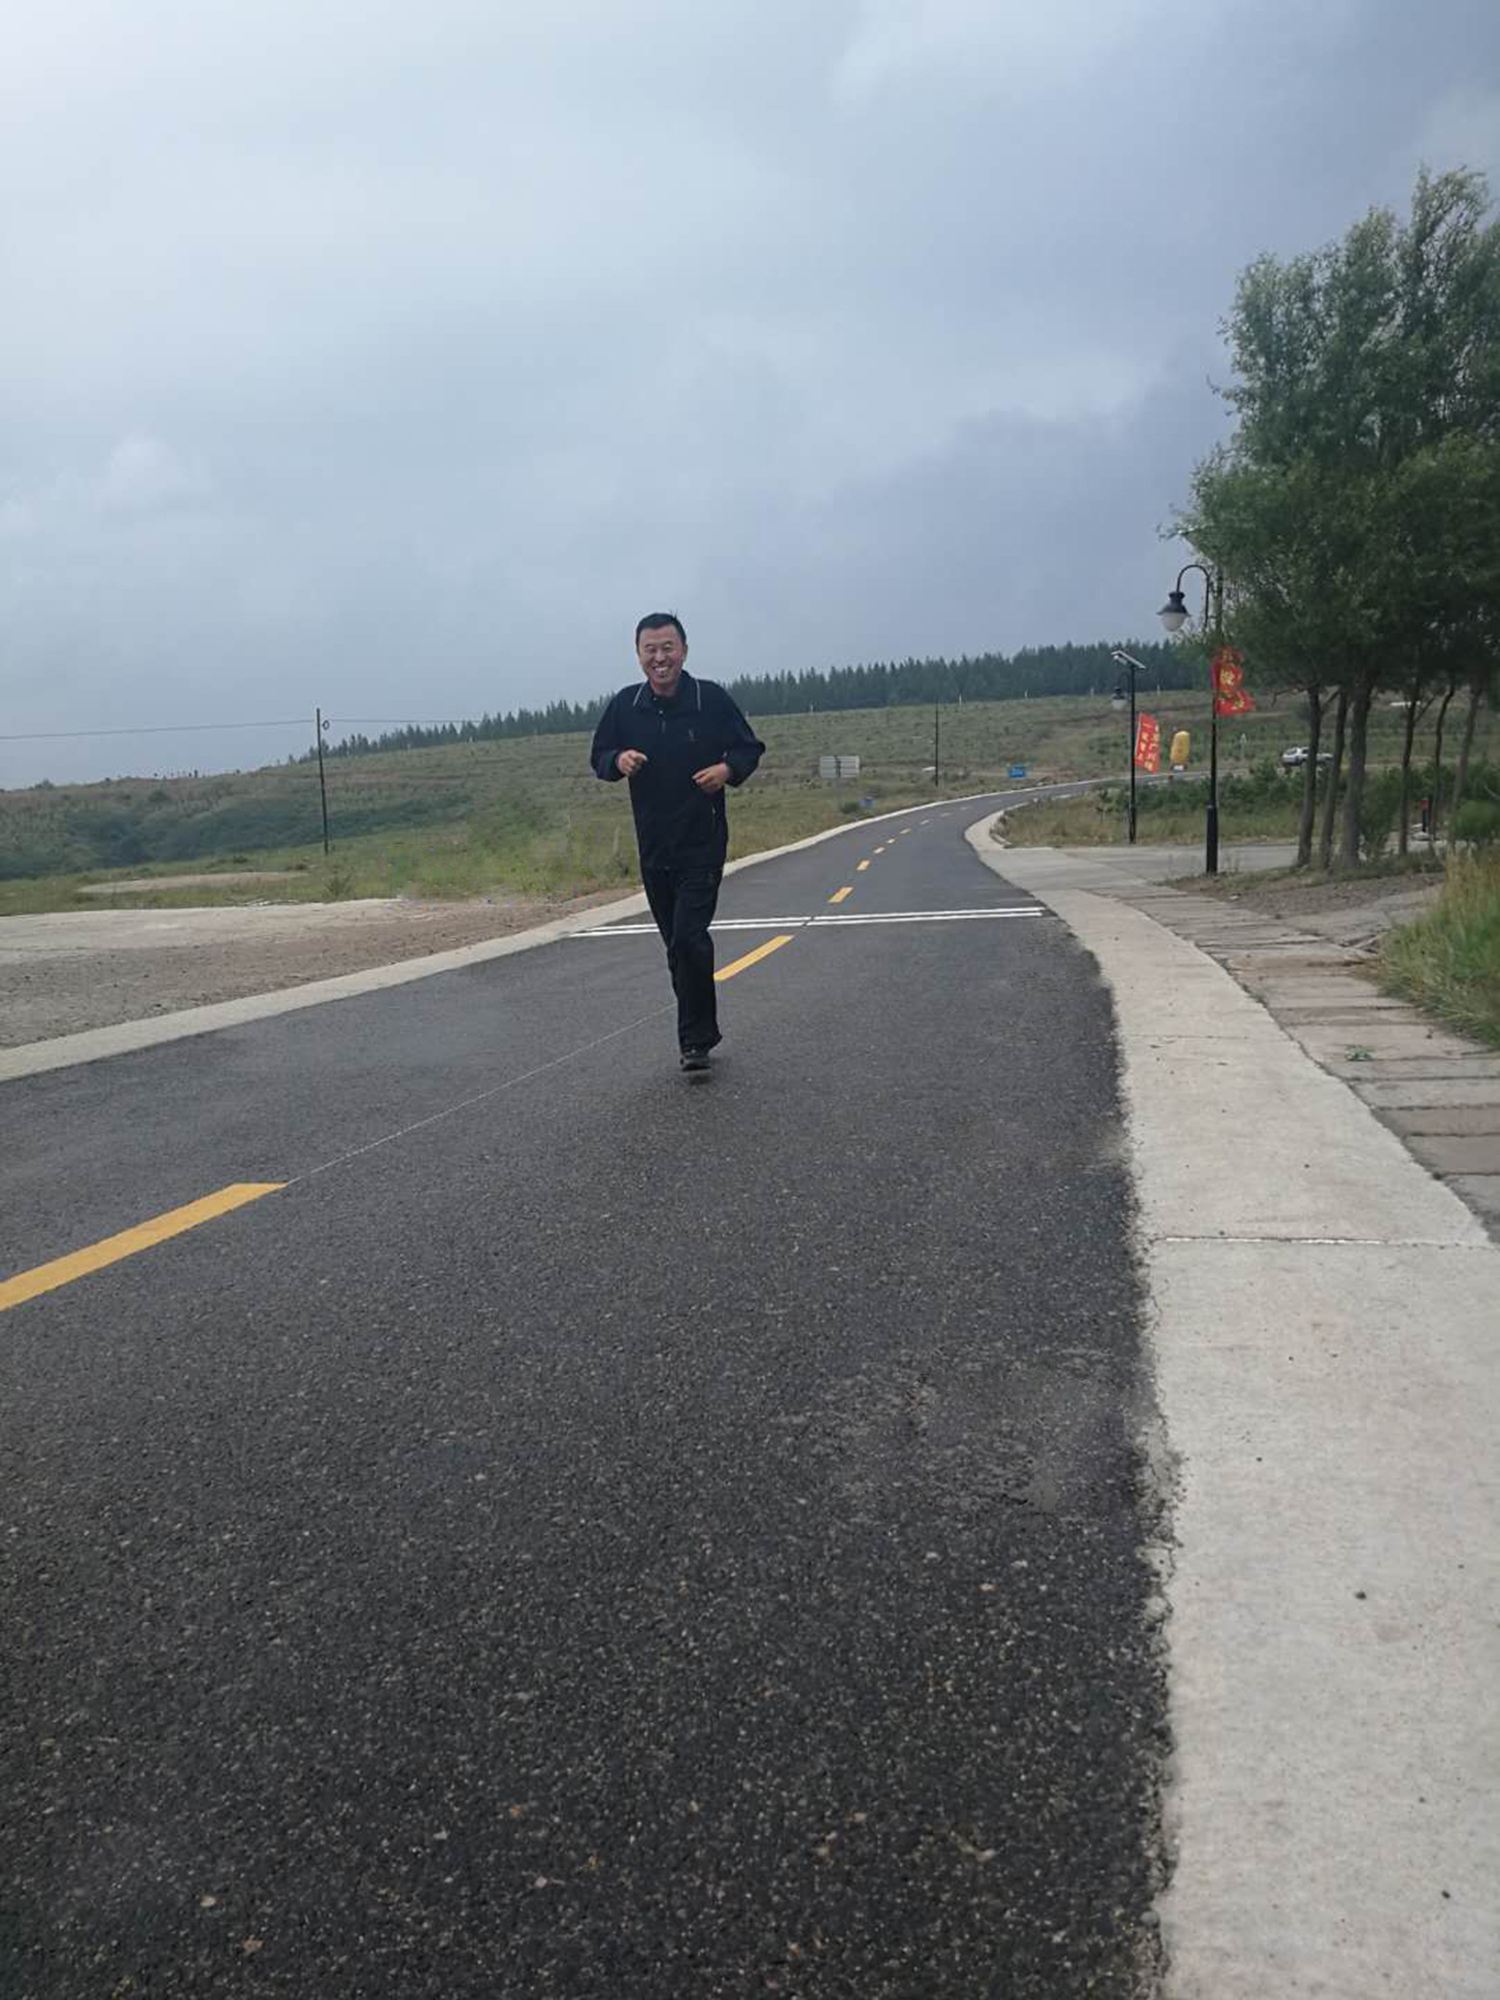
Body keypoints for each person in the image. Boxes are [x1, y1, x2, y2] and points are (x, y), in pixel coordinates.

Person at [590, 613, 765, 1070]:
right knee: (676, 946)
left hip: (701, 843)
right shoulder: (625, 706)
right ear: (638, 656)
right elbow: (599, 756)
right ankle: (698, 1028)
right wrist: (619, 760)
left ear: (684, 650)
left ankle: (695, 1041)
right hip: (654, 847)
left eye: (667, 647)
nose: (659, 658)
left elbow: (748, 748)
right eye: (650, 649)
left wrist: (726, 770)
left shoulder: (710, 699)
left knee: (688, 939)